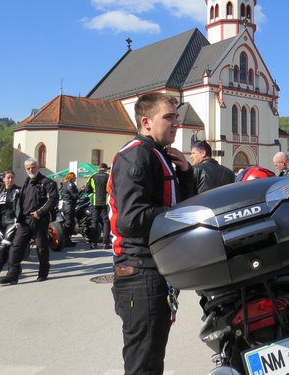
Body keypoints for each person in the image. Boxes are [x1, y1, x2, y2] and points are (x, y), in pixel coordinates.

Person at [109, 92, 196, 375]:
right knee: (144, 365)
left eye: (177, 118)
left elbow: (179, 203)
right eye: (169, 117)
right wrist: (177, 217)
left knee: (152, 360)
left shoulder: (158, 153)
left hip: (155, 271)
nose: (176, 124)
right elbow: (131, 219)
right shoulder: (136, 154)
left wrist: (185, 173)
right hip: (140, 273)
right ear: (146, 122)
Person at [0, 158, 59, 285]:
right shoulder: (26, 182)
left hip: (39, 220)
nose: (31, 170)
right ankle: (12, 275)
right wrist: (18, 219)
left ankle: (43, 272)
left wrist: (40, 212)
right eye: (28, 168)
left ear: (38, 167)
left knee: (41, 248)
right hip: (25, 221)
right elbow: (22, 203)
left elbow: (53, 199)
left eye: (33, 167)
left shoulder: (47, 182)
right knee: (16, 246)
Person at [85, 163, 111, 249]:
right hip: (106, 201)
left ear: (99, 168)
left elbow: (87, 190)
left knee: (94, 222)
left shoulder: (92, 176)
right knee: (106, 221)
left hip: (95, 202)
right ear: (105, 168)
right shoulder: (109, 176)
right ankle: (106, 243)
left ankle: (94, 243)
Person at [60, 171, 79, 247]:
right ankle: (67, 241)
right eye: (75, 177)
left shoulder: (64, 184)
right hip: (69, 205)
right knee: (69, 223)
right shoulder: (70, 184)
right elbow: (74, 195)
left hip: (65, 205)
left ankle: (68, 240)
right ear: (72, 177)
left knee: (69, 222)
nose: (75, 178)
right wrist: (81, 191)